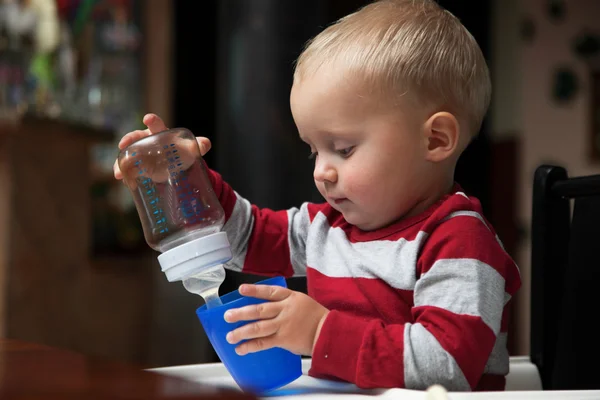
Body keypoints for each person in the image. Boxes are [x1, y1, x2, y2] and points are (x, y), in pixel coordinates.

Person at [114, 0, 521, 391]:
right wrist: (186, 179)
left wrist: (319, 332)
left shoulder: (461, 244)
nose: (321, 171)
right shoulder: (326, 227)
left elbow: (446, 369)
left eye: (343, 149)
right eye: (314, 150)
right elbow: (246, 238)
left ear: (434, 139)